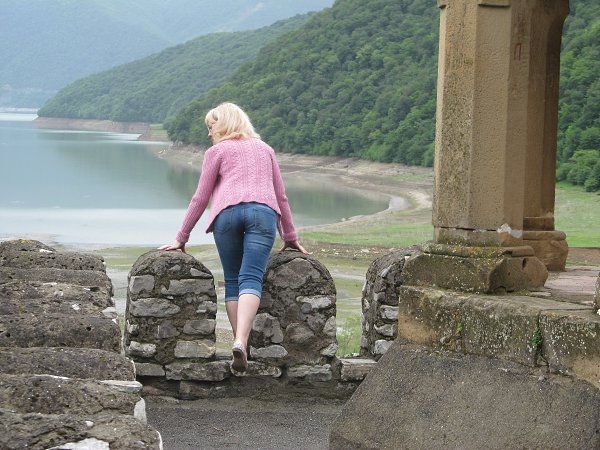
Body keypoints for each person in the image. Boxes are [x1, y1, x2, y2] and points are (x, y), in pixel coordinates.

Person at [159, 102, 308, 372]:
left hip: (226, 215)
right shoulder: (266, 149)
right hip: (263, 213)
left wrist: (182, 237)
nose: (209, 133)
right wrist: (289, 235)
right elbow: (281, 196)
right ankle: (241, 340)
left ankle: (242, 346)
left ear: (225, 123)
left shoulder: (216, 152)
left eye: (211, 126)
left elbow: (200, 197)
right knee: (251, 278)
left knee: (232, 281)